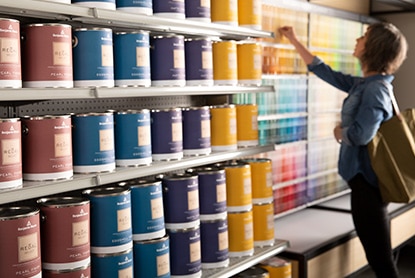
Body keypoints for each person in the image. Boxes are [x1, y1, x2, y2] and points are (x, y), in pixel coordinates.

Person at [279, 22, 408, 278]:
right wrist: (293, 40)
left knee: (380, 261)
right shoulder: (366, 84)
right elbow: (325, 72)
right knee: (380, 256)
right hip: (363, 184)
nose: (357, 40)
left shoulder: (375, 89)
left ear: (373, 48)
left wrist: (339, 133)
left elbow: (361, 134)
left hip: (368, 186)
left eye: (364, 37)